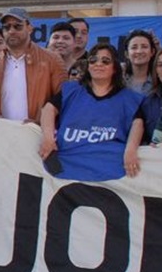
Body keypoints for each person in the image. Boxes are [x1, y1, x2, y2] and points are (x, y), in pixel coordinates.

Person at [51, 43, 146, 181]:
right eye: (93, 60)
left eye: (105, 61)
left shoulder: (130, 99)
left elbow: (138, 123)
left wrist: (131, 150)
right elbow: (49, 109)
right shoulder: (71, 90)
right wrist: (48, 138)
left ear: (115, 68)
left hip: (109, 173)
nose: (98, 64)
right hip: (66, 168)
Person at [0, 8, 65, 128]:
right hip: (1, 133)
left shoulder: (52, 60)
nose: (11, 31)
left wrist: (40, 123)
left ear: (30, 28)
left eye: (18, 26)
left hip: (37, 133)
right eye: (7, 27)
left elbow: (63, 99)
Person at [121, 29, 157, 93]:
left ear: (152, 52)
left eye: (144, 47)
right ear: (126, 54)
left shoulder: (159, 81)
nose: (139, 51)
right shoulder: (119, 81)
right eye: (134, 47)